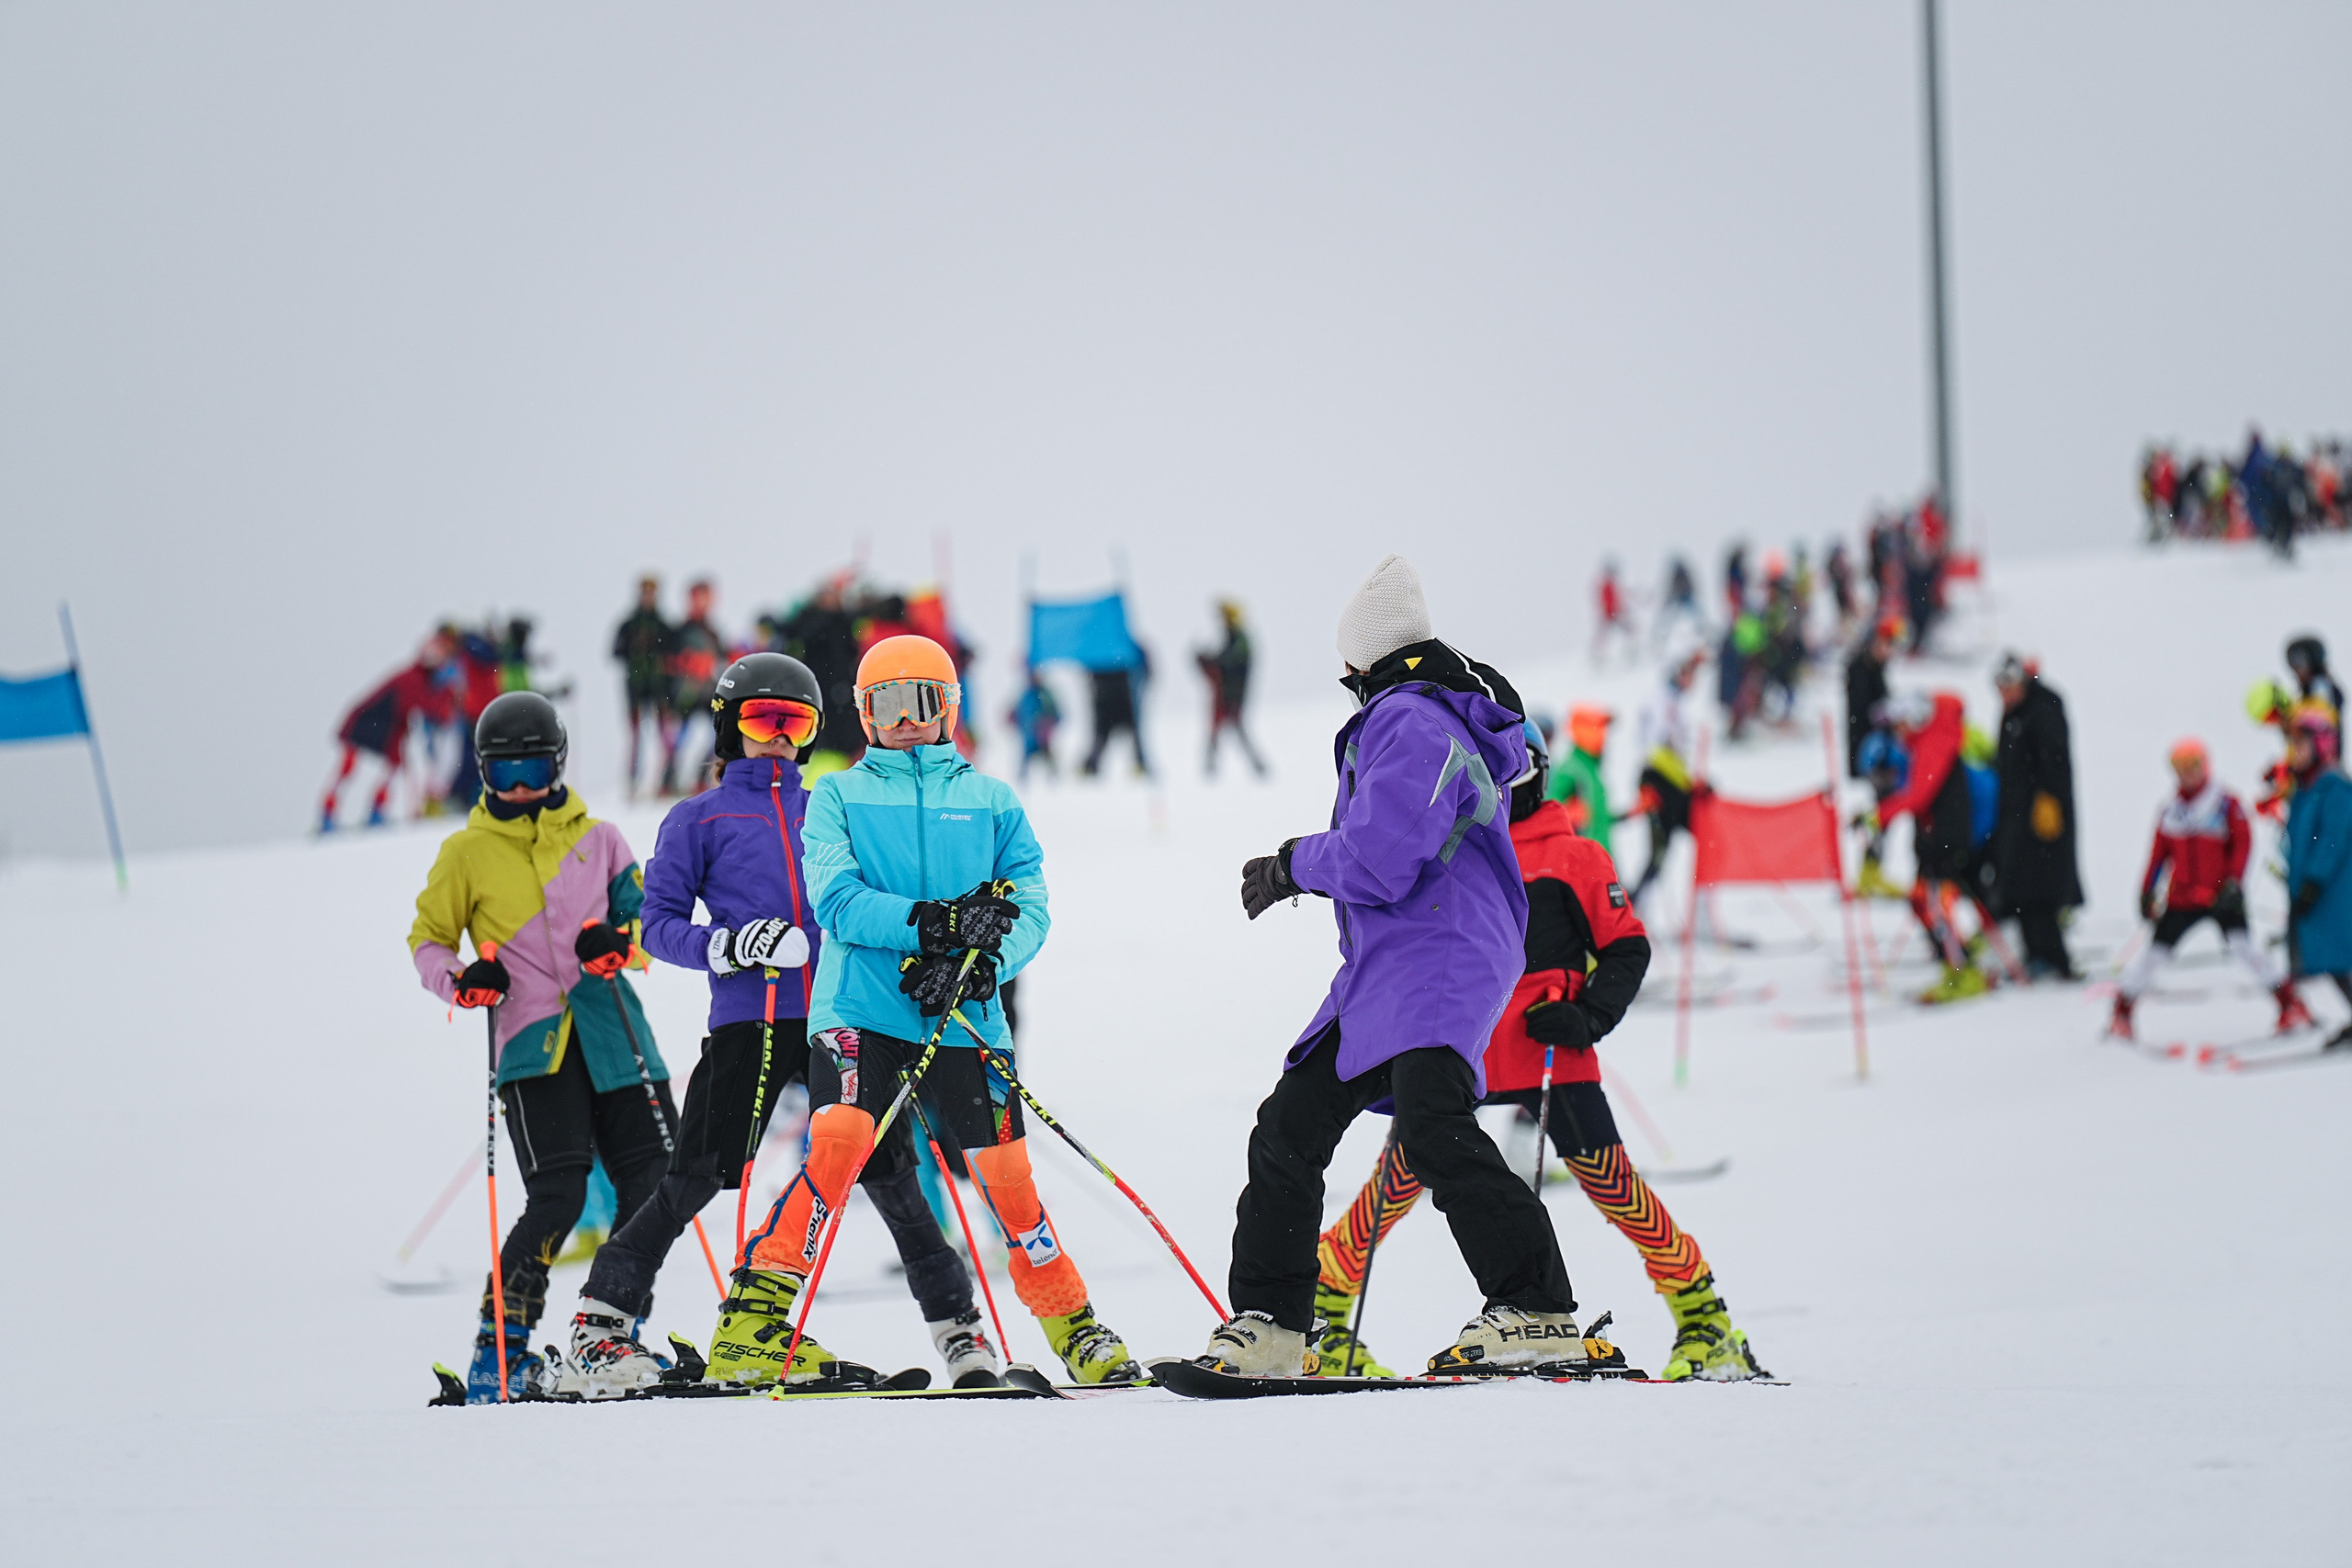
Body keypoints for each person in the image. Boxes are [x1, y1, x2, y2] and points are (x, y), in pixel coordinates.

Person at [555, 653, 998, 1396]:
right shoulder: (698, 818)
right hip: (749, 1019)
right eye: (763, 719)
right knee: (694, 1177)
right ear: (731, 726)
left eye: (797, 721)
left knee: (893, 1178)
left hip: (843, 1018)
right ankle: (600, 1324)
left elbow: (871, 904)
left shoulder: (832, 806)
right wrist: (728, 946)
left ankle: (961, 1332)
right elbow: (655, 925)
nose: (781, 735)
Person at [1198, 553, 1587, 1379]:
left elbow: (1382, 856)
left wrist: (1291, 863)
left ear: (1364, 665)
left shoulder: (1411, 718)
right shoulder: (1421, 714)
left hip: (1441, 950)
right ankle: (1272, 1323)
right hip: (1388, 962)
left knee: (1433, 1124)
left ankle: (1536, 1306)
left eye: (1348, 674)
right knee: (1290, 1125)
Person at [716, 635, 1143, 1387]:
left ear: (948, 707)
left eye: (921, 702)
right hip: (861, 1010)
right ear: (864, 715)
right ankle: (753, 1318)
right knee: (839, 1141)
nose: (904, 720)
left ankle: (1073, 1324)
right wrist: (934, 927)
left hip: (965, 1015)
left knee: (1006, 1176)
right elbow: (837, 900)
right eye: (885, 705)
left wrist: (983, 967)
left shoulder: (991, 801)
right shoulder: (839, 796)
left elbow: (1030, 905)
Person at [1310, 723, 1769, 1382]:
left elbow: (1626, 947)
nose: (1501, 784)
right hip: (1457, 1049)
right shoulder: (1451, 852)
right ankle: (1326, 1317)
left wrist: (1587, 1016)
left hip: (1548, 1051)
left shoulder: (1573, 857)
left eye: (1514, 768)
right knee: (1396, 1185)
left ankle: (1706, 1319)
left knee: (1612, 1186)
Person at [407, 692, 673, 1402]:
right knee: (558, 1197)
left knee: (658, 1180)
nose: (521, 786)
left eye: (533, 769)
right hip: (533, 1044)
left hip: (615, 1032)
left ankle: (608, 1332)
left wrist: (621, 941)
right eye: (505, 772)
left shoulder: (601, 839)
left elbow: (649, 920)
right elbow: (429, 940)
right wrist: (465, 980)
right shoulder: (466, 853)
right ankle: (499, 1351)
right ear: (483, 773)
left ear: (558, 765)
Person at [2109, 739, 2310, 1042]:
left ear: (2204, 767)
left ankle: (2289, 1002)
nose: (2186, 774)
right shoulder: (2171, 811)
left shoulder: (2224, 803)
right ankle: (2123, 1010)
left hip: (2220, 897)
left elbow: (2242, 844)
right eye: (2180, 768)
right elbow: (2158, 855)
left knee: (2244, 949)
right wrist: (2147, 890)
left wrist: (2234, 882)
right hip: (2182, 898)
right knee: (2155, 954)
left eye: (2192, 767)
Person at [1869, 691, 1988, 1003]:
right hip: (1936, 836)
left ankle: (1962, 972)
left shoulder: (1934, 742)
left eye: (1900, 724)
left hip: (1946, 838)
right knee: (1921, 899)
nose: (1898, 732)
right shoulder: (1924, 742)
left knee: (1937, 904)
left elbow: (1919, 794)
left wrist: (1880, 815)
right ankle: (1956, 960)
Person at [1990, 652, 2083, 980]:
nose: (2005, 694)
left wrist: (2048, 800)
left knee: (2040, 893)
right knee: (2019, 892)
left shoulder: (2042, 710)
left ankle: (2056, 959)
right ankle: (2035, 955)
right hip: (2015, 815)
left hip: (2041, 818)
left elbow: (2054, 761)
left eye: (2009, 686)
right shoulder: (2014, 714)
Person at [322, 630, 457, 829]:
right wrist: (447, 697)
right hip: (365, 723)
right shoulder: (412, 678)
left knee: (391, 767)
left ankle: (376, 812)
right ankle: (328, 815)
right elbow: (425, 706)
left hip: (387, 731)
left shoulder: (421, 679)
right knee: (348, 768)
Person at [2284, 705, 2352, 1050]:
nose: (2294, 752)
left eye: (2301, 744)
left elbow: (2333, 839)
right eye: (2292, 744)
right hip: (2316, 892)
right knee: (2332, 959)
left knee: (2341, 955)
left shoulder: (2334, 787)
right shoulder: (2305, 788)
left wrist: (2314, 881)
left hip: (2335, 891)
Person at [1628, 640, 1706, 911]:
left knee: (1671, 849)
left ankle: (1638, 904)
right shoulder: (1664, 700)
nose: (1692, 680)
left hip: (1670, 782)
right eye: (1688, 673)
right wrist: (1685, 782)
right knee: (1660, 852)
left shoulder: (1674, 701)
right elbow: (1659, 748)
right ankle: (1634, 906)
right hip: (1661, 782)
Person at [612, 576, 673, 798]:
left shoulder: (662, 625)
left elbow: (672, 654)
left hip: (658, 688)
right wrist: (633, 648)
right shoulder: (630, 625)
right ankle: (633, 782)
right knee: (636, 736)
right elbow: (615, 652)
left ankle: (665, 780)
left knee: (664, 734)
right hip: (636, 688)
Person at [662, 580, 725, 795]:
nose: (703, 603)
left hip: (707, 693)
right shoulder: (680, 631)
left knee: (718, 736)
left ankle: (701, 779)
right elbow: (667, 663)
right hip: (685, 693)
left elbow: (721, 659)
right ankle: (668, 781)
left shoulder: (712, 632)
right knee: (679, 739)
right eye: (699, 598)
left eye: (706, 598)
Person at [1198, 599, 1268, 778]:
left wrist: (1209, 660)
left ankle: (1256, 766)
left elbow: (1229, 662)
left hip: (1233, 694)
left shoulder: (1239, 639)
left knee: (1234, 727)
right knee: (1225, 729)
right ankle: (1212, 767)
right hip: (1229, 693)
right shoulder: (1233, 638)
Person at [1544, 704, 1615, 854]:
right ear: (1582, 730)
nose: (1603, 735)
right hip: (1584, 857)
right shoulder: (1571, 769)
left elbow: (1598, 818)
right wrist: (1568, 814)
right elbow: (1549, 808)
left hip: (1602, 855)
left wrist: (1630, 812)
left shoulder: (1591, 769)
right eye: (1598, 728)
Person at [1080, 651, 1151, 778]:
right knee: (1102, 737)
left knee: (1107, 736)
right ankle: (1090, 767)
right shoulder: (1120, 650)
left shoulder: (1119, 649)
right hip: (1111, 702)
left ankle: (1140, 764)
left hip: (1119, 701)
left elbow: (1145, 670)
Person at [1007, 667, 1062, 782]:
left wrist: (1047, 724)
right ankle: (1021, 783)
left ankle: (1056, 782)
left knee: (1049, 762)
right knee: (1025, 765)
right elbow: (1017, 712)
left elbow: (1056, 714)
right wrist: (1012, 717)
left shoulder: (1045, 695)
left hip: (1042, 737)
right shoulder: (1026, 694)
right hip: (1028, 736)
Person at [2285, 636, 2344, 722]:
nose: (2295, 670)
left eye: (2298, 662)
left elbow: (2319, 717)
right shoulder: (2306, 691)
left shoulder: (2320, 685)